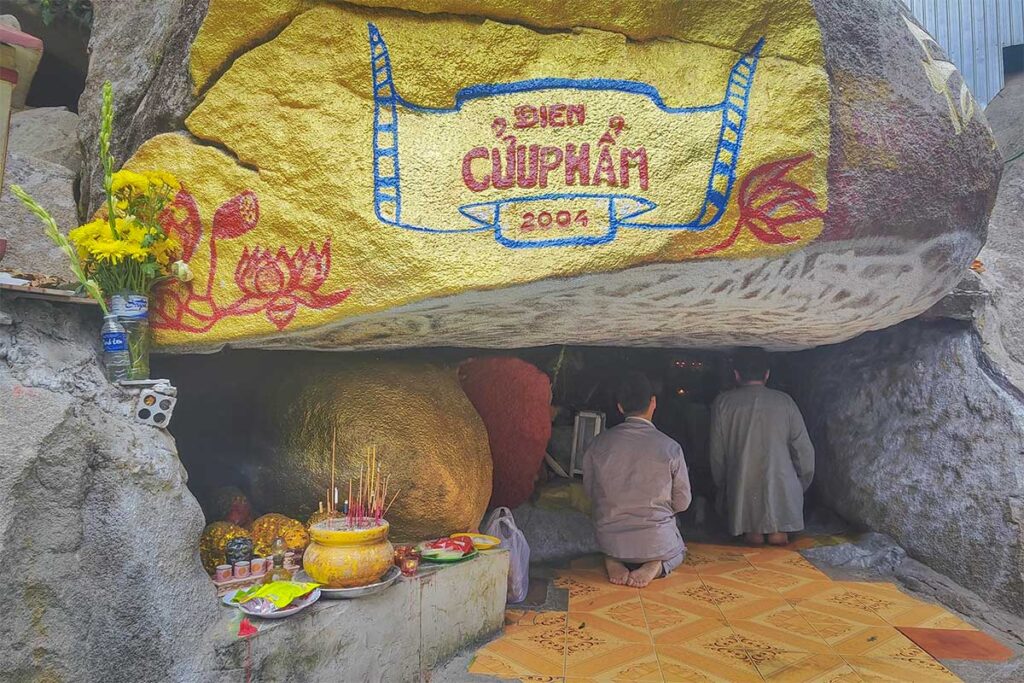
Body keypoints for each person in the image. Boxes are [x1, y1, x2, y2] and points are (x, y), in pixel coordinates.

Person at [582, 372, 692, 588]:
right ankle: (656, 566)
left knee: (610, 544)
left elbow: (590, 493)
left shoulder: (598, 444)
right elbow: (683, 503)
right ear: (653, 403)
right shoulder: (670, 447)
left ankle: (612, 560)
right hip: (656, 541)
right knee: (679, 551)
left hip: (611, 538)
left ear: (620, 407)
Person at [709, 349, 814, 546]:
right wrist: (801, 484)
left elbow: (717, 454)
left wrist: (723, 486)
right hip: (783, 486)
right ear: (767, 374)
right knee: (779, 536)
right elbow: (803, 450)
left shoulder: (723, 403)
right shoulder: (785, 402)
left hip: (742, 487)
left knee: (752, 538)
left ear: (736, 375)